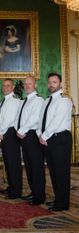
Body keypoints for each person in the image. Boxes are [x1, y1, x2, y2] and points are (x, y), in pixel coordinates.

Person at [37, 73, 73, 211]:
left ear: (61, 84)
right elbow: (42, 120)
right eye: (50, 82)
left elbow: (56, 121)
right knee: (53, 171)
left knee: (62, 172)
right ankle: (58, 199)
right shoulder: (47, 101)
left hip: (60, 139)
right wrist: (40, 134)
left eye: (54, 82)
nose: (51, 84)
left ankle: (63, 203)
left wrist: (44, 136)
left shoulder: (65, 101)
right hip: (49, 139)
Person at [16, 76, 45, 205]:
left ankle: (39, 196)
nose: (27, 86)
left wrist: (22, 130)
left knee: (36, 166)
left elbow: (34, 118)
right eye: (26, 84)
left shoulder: (38, 100)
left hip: (32, 135)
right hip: (24, 135)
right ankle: (33, 192)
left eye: (30, 84)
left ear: (35, 85)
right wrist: (19, 130)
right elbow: (18, 117)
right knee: (28, 166)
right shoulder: (24, 101)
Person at [0, 79, 22, 199]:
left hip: (10, 133)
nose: (5, 87)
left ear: (12, 88)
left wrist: (0, 131)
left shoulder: (14, 101)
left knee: (14, 163)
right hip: (4, 133)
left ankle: (16, 191)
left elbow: (9, 119)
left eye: (8, 85)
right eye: (4, 85)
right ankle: (11, 187)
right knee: (8, 162)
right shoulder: (2, 102)